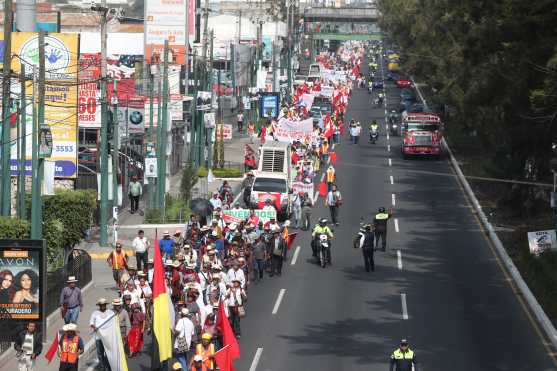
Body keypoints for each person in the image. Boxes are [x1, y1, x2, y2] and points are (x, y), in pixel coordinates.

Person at [89, 298, 113, 371]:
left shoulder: (110, 312)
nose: (103, 306)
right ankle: (102, 367)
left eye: (104, 305)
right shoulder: (95, 313)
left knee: (109, 353)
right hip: (98, 337)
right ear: (99, 305)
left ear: (106, 305)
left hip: (108, 337)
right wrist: (94, 327)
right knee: (100, 353)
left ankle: (109, 367)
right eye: (101, 305)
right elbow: (91, 323)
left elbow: (113, 323)